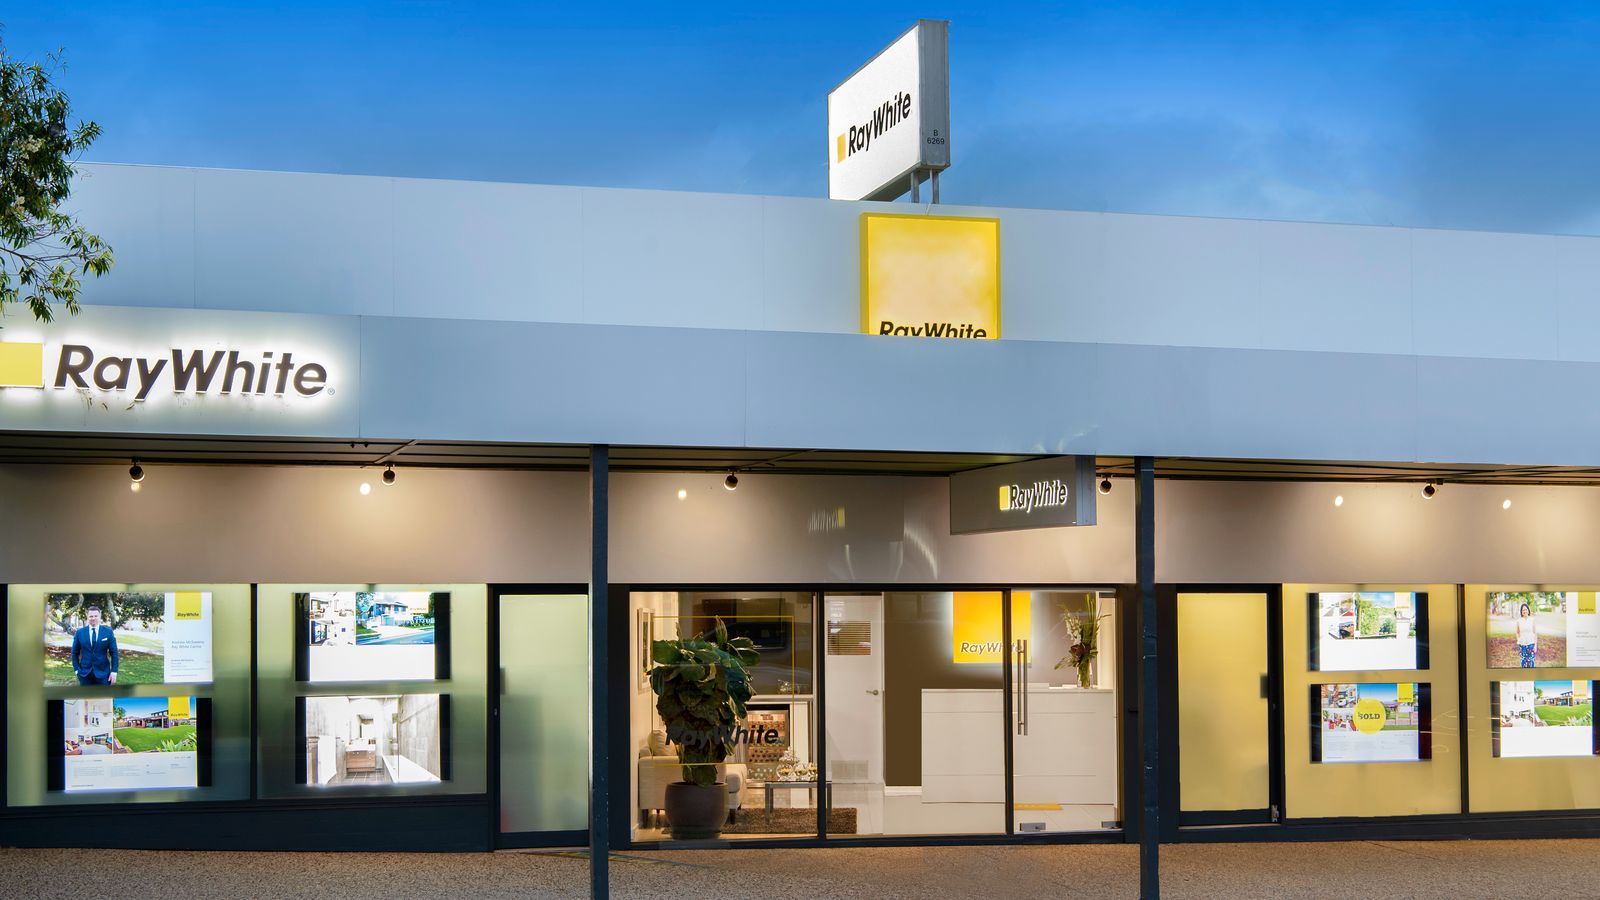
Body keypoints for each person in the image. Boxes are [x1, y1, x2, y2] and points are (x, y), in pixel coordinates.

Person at [71, 606, 119, 686]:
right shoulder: (79, 633)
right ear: (87, 617)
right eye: (91, 616)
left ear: (100, 616)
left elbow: (114, 653)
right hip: (84, 674)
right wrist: (76, 670)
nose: (93, 618)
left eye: (96, 616)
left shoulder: (108, 632)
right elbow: (74, 653)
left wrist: (114, 671)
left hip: (103, 674)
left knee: (103, 694)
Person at [1516, 602, 1537, 668]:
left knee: (1531, 663)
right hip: (1522, 645)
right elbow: (1517, 632)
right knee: (1524, 663)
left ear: (1528, 610)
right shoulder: (1519, 621)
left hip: (1531, 644)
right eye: (1523, 610)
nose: (1525, 611)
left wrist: (1535, 645)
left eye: (1526, 609)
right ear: (1521, 612)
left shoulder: (1532, 620)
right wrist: (1518, 640)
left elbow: (1535, 633)